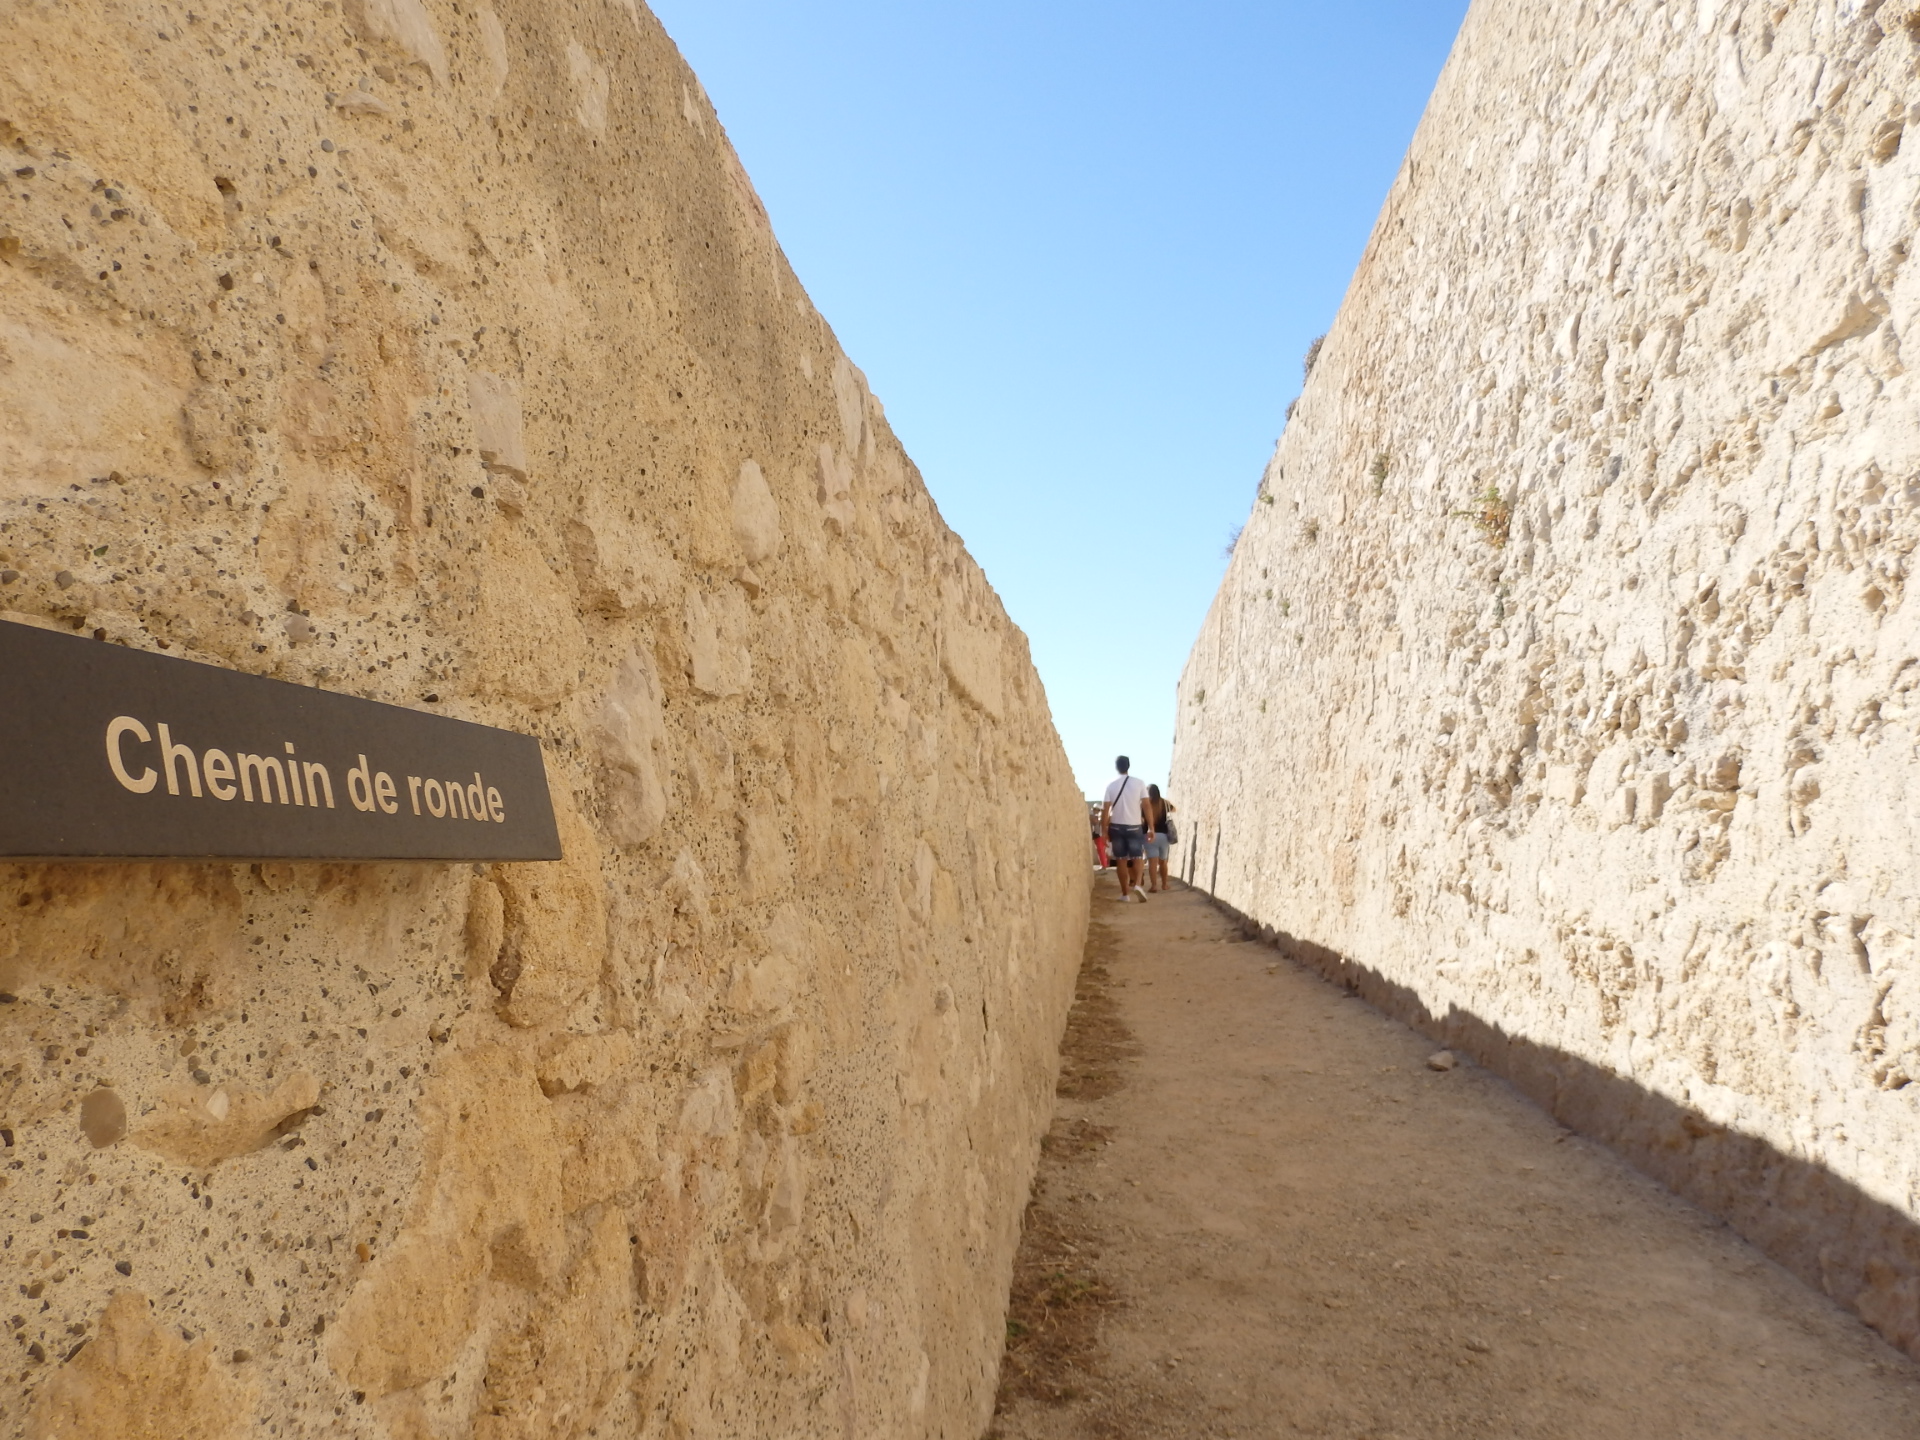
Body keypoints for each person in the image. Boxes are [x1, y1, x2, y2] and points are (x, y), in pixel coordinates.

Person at [1100, 756, 1155, 903]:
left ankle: (1125, 894)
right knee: (1138, 857)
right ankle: (1137, 884)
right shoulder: (1139, 783)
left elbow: (1106, 810)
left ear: (1117, 767)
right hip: (1134, 826)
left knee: (1121, 860)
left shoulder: (1110, 785)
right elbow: (1146, 806)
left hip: (1116, 827)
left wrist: (1104, 831)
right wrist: (1151, 827)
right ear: (1128, 766)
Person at [1143, 784, 1176, 892]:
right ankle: (1165, 884)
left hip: (1149, 835)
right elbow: (1174, 809)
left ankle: (1154, 886)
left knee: (1152, 863)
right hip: (1164, 836)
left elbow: (1141, 819)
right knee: (1163, 862)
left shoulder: (1145, 804)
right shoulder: (1164, 803)